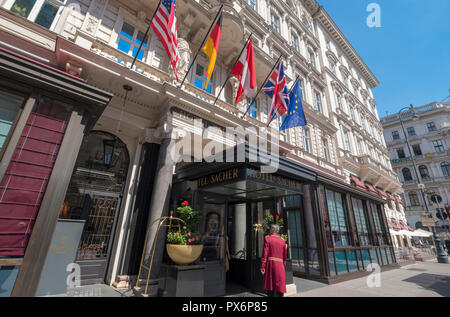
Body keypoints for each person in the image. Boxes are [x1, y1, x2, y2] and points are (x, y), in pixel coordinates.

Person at [260, 224, 287, 297]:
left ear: (272, 230)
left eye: (270, 229)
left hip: (271, 264)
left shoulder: (267, 238)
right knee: (280, 286)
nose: (269, 230)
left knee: (270, 285)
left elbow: (265, 254)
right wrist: (283, 265)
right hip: (280, 265)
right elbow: (285, 256)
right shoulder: (282, 241)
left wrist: (263, 266)